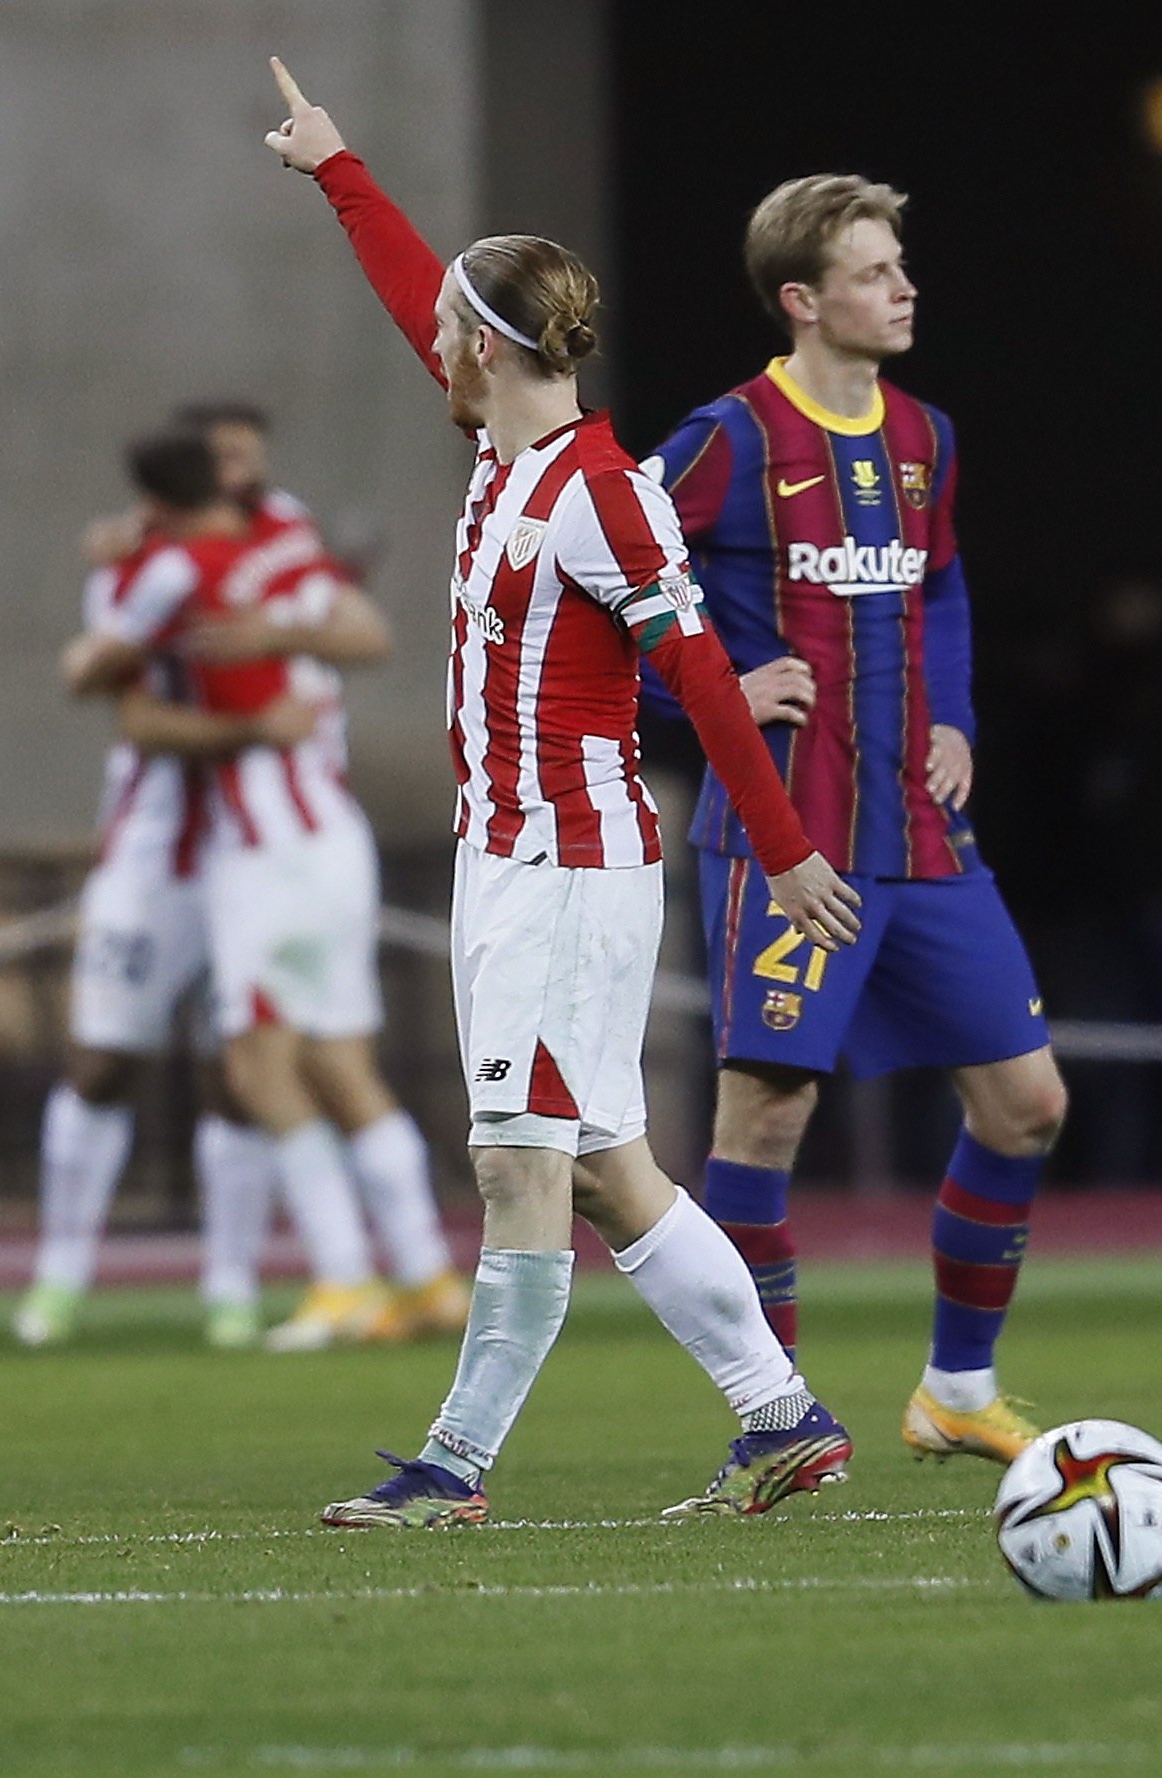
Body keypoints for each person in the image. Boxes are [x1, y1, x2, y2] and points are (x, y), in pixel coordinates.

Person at [263, 60, 865, 1525]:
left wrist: (781, 851)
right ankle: (782, 1418)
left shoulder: (597, 491)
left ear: (488, 346)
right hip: (516, 858)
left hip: (567, 860)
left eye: (451, 331)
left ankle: (452, 1468)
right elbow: (424, 283)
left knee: (515, 1159)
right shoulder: (504, 448)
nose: (435, 342)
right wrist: (341, 167)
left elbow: (705, 678)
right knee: (603, 1166)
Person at [641, 171, 1067, 1465]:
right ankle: (770, 1415)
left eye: (899, 266)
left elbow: (939, 590)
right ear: (803, 300)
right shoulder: (725, 440)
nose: (904, 287)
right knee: (762, 1124)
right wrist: (698, 674)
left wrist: (958, 722)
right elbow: (610, 567)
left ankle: (954, 1387)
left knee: (1028, 1103)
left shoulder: (925, 436)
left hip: (925, 838)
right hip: (790, 840)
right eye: (876, 272)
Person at [63, 419, 469, 1354]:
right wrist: (285, 627)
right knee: (338, 1064)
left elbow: (100, 683)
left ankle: (342, 1281)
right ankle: (427, 1277)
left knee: (256, 1067)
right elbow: (365, 630)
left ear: (158, 499)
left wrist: (114, 587)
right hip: (331, 837)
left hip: (263, 853)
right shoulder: (288, 544)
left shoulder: (171, 570)